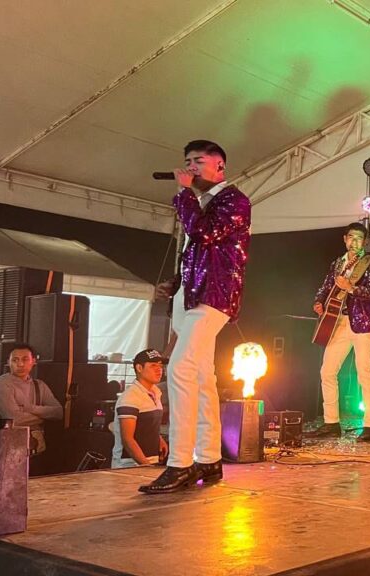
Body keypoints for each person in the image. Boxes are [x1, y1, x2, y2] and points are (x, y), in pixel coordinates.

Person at [142, 140, 251, 494]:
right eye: (187, 161)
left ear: (220, 166)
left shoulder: (234, 200)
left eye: (198, 161)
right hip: (192, 295)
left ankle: (179, 463)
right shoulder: (201, 202)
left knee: (180, 368)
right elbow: (198, 253)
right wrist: (175, 283)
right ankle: (208, 458)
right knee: (202, 376)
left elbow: (204, 233)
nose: (190, 167)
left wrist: (184, 194)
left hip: (214, 296)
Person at [310, 222, 370, 442]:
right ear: (345, 239)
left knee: (364, 372)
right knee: (327, 371)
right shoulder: (338, 263)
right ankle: (331, 422)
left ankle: (369, 425)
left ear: (365, 241)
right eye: (351, 237)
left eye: (359, 238)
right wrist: (319, 302)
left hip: (362, 321)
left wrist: (349, 287)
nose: (354, 242)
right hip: (337, 321)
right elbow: (325, 287)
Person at [0, 343, 63, 456]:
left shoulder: (39, 385)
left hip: (36, 447)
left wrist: (30, 408)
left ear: (33, 361)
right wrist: (43, 417)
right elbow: (14, 419)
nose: (20, 364)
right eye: (15, 360)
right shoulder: (2, 384)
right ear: (8, 362)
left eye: (25, 359)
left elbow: (58, 412)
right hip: (8, 449)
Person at [112, 349, 169, 468]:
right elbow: (128, 439)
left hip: (151, 460)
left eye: (160, 366)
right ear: (139, 368)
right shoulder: (130, 397)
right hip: (129, 465)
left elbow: (147, 425)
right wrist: (146, 465)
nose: (159, 369)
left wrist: (159, 440)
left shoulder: (156, 392)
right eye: (153, 365)